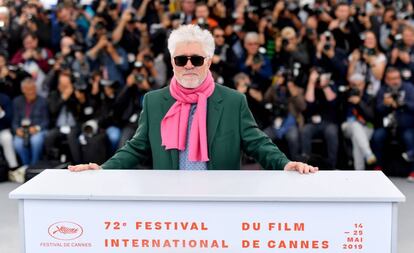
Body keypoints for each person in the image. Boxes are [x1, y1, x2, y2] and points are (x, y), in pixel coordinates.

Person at [69, 24, 317, 174]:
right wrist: (103, 170)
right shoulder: (154, 101)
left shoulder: (233, 101)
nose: (189, 65)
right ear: (172, 62)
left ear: (208, 61)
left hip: (221, 199)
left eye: (196, 59)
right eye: (181, 59)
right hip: (170, 200)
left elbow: (258, 144)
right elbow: (136, 147)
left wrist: (286, 165)